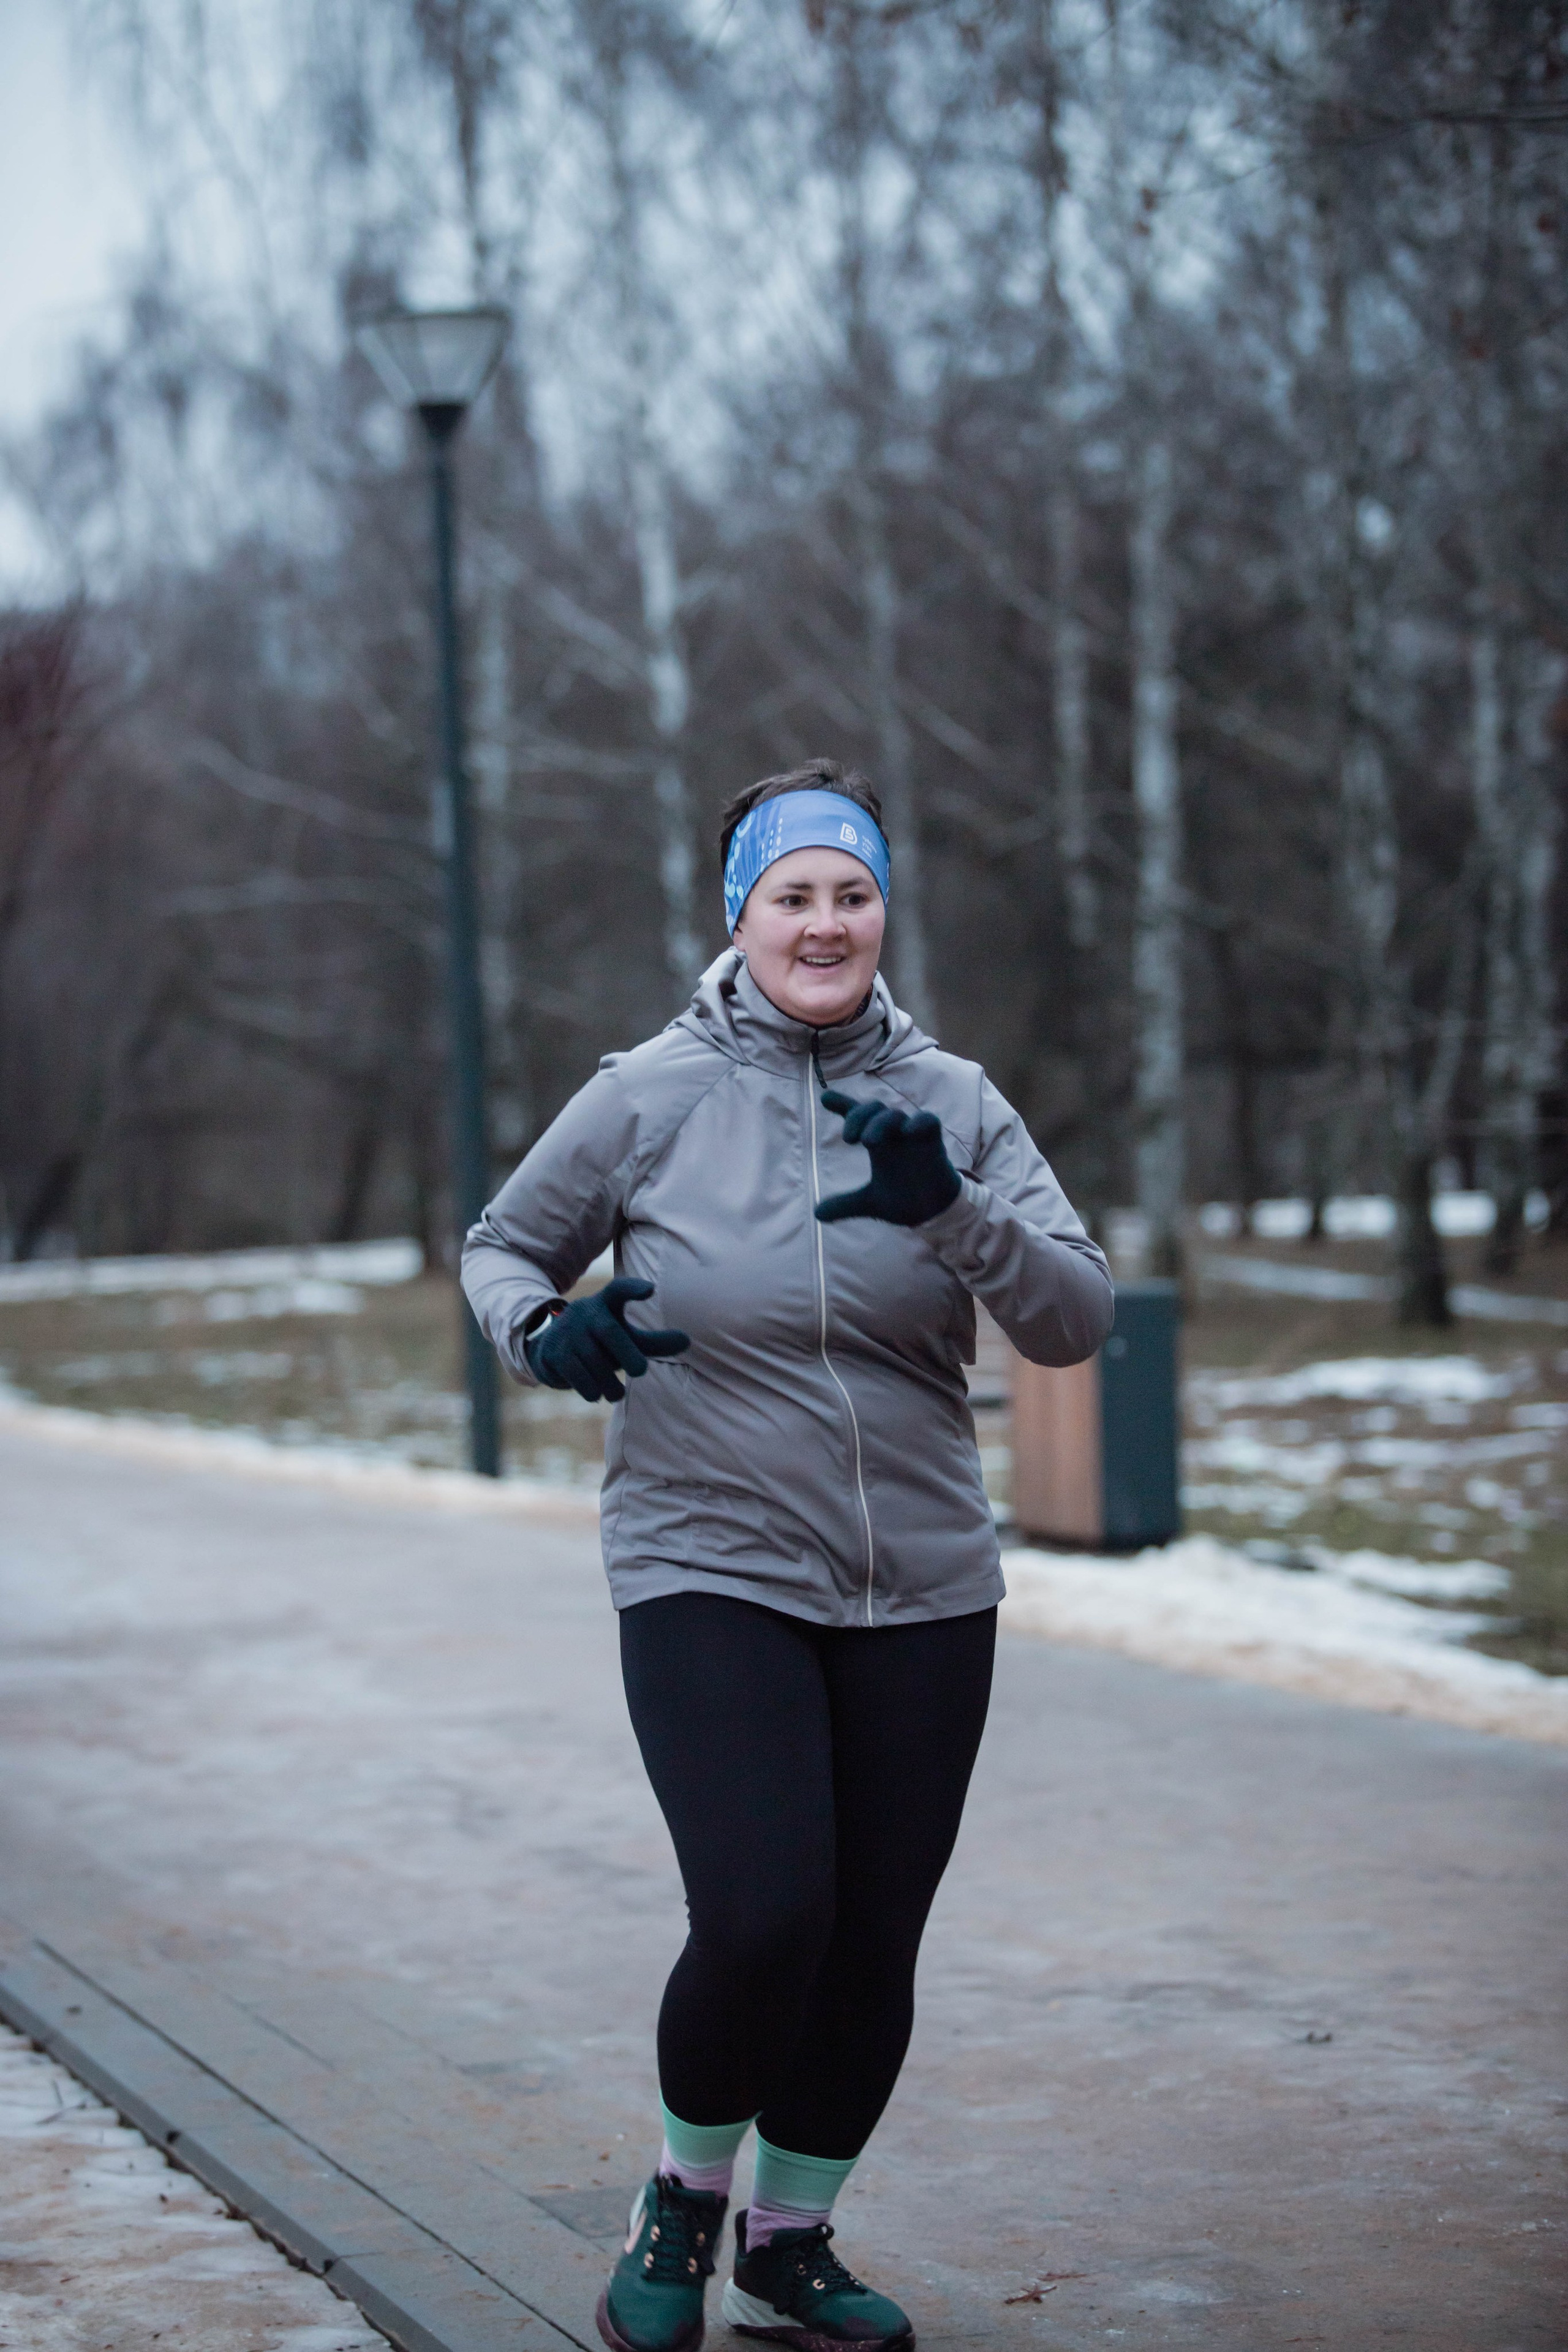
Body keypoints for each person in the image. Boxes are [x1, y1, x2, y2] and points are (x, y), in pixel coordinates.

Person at [462, 758, 1112, 2352]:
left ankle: (790, 2240)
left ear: (884, 911)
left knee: (873, 1938)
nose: (826, 923)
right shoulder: (649, 1092)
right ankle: (682, 2202)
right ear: (740, 915)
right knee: (765, 1913)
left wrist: (954, 1210)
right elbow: (501, 1246)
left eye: (853, 893)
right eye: (794, 895)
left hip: (924, 1580)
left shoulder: (956, 1102)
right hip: (709, 1556)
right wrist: (548, 1333)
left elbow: (1073, 1317)